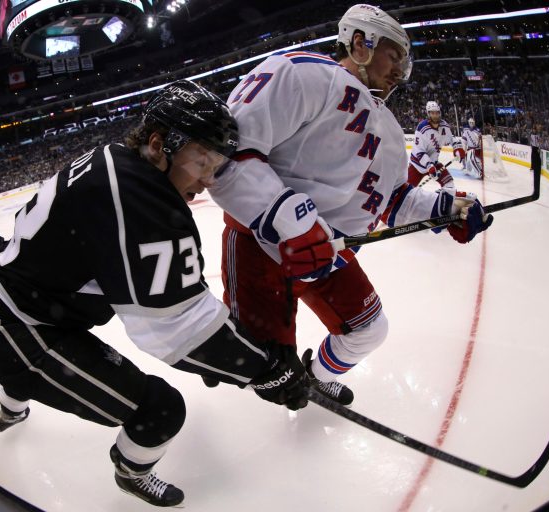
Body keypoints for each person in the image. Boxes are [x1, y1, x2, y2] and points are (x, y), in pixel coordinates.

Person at [0, 80, 308, 508]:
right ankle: (132, 470)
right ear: (160, 143)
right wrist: (265, 369)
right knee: (160, 409)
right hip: (16, 329)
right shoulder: (143, 199)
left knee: (48, 367)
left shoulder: (117, 161)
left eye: (217, 163)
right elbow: (181, 331)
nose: (207, 180)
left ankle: (11, 406)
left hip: (15, 301)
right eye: (203, 159)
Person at [208, 4, 493, 406]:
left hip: (331, 254)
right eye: (394, 57)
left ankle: (317, 378)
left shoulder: (392, 131)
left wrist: (445, 209)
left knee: (368, 331)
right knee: (263, 367)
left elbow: (392, 199)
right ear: (360, 42)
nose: (400, 72)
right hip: (263, 248)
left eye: (404, 64)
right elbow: (226, 153)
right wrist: (292, 221)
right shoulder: (300, 72)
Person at [407, 101, 457, 191]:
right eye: (432, 113)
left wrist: (458, 148)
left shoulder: (444, 126)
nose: (435, 115)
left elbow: (452, 139)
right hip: (417, 166)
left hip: (434, 164)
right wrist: (429, 166)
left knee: (449, 185)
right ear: (428, 114)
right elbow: (420, 152)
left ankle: (443, 201)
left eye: (437, 113)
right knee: (405, 191)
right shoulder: (422, 128)